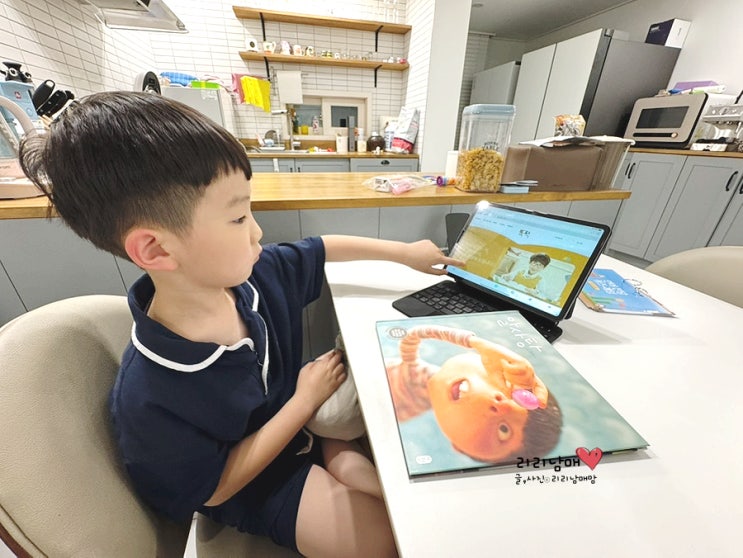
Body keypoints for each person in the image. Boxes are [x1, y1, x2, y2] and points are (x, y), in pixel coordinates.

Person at [18, 91, 464, 558]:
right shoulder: (152, 395)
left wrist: (405, 253)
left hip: (300, 431)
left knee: (410, 485)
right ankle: (342, 463)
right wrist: (304, 400)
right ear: (156, 249)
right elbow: (214, 490)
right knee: (393, 541)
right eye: (237, 217)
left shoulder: (251, 278)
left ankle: (342, 462)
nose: (257, 231)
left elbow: (320, 248)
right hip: (258, 484)